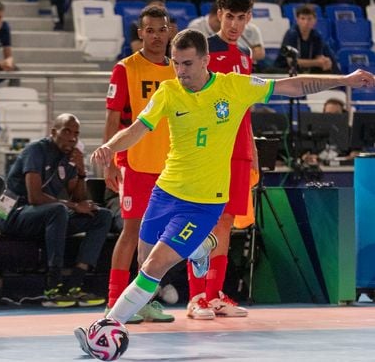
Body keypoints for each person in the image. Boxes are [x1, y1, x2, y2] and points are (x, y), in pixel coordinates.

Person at [74, 28, 375, 355]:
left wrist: (343, 79)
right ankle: (200, 250)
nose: (181, 71)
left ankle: (105, 328)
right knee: (147, 267)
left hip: (203, 203)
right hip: (165, 192)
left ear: (205, 60)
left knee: (153, 267)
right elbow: (137, 130)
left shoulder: (235, 86)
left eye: (188, 64)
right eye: (176, 64)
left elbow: (293, 85)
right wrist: (109, 146)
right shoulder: (168, 92)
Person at [184, 0, 255, 321]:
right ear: (218, 14)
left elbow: (245, 110)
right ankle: (196, 296)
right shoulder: (204, 51)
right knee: (202, 221)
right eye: (230, 17)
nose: (235, 24)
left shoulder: (245, 56)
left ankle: (214, 295)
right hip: (211, 150)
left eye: (241, 18)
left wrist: (252, 149)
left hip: (239, 150)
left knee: (226, 222)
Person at [104, 5, 177, 324]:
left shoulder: (177, 69)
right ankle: (113, 301)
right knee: (132, 231)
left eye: (162, 29)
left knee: (157, 238)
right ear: (140, 33)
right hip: (134, 162)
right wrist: (107, 159)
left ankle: (143, 301)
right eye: (150, 30)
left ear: (170, 31)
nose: (157, 36)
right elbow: (111, 115)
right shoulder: (125, 68)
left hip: (170, 165)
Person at [0, 113, 112, 308]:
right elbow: (35, 197)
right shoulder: (36, 150)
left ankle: (76, 283)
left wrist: (81, 170)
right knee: (58, 210)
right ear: (53, 132)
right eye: (66, 131)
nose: (72, 137)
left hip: (45, 215)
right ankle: (52, 286)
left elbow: (78, 198)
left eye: (76, 134)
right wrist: (76, 207)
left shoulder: (68, 157)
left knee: (101, 216)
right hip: (11, 212)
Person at [188, 2, 265, 63]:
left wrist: (232, 58)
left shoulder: (250, 28)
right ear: (213, 15)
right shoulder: (196, 28)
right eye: (219, 21)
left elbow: (260, 53)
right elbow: (192, 55)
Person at [274, 4, 339, 74]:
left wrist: (325, 61)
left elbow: (318, 57)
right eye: (303, 18)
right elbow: (291, 62)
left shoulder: (317, 36)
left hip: (305, 70)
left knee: (328, 68)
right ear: (297, 20)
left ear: (315, 20)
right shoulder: (291, 34)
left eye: (309, 19)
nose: (306, 22)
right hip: (285, 69)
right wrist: (317, 62)